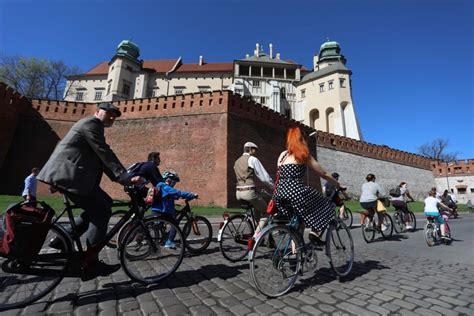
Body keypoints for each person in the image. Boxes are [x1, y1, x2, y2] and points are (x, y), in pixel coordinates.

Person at [37, 102, 144, 281]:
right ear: (97, 111)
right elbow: (103, 151)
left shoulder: (92, 127)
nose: (111, 117)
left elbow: (100, 159)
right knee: (101, 210)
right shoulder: (91, 124)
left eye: (114, 116)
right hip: (70, 176)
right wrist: (124, 176)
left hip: (74, 177)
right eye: (108, 113)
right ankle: (90, 261)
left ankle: (63, 239)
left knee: (106, 203)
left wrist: (121, 179)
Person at [273, 127, 341, 245]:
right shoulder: (303, 154)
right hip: (296, 192)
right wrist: (338, 184)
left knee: (299, 223)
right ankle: (315, 233)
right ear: (302, 139)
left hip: (279, 193)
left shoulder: (282, 155)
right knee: (327, 205)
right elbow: (323, 174)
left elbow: (279, 174)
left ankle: (296, 254)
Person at [234, 141, 274, 233]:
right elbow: (264, 178)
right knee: (268, 211)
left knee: (259, 204)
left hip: (238, 193)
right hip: (248, 192)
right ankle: (257, 236)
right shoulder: (252, 159)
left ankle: (259, 231)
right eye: (255, 150)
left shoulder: (236, 162)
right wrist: (273, 187)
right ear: (250, 149)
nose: (256, 152)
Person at [151, 171, 198, 248]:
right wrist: (192, 195)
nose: (174, 184)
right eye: (174, 182)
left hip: (157, 210)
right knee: (175, 224)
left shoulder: (159, 186)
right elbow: (178, 193)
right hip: (163, 210)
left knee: (160, 226)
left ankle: (163, 239)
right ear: (169, 180)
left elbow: (171, 196)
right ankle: (169, 242)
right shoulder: (166, 187)